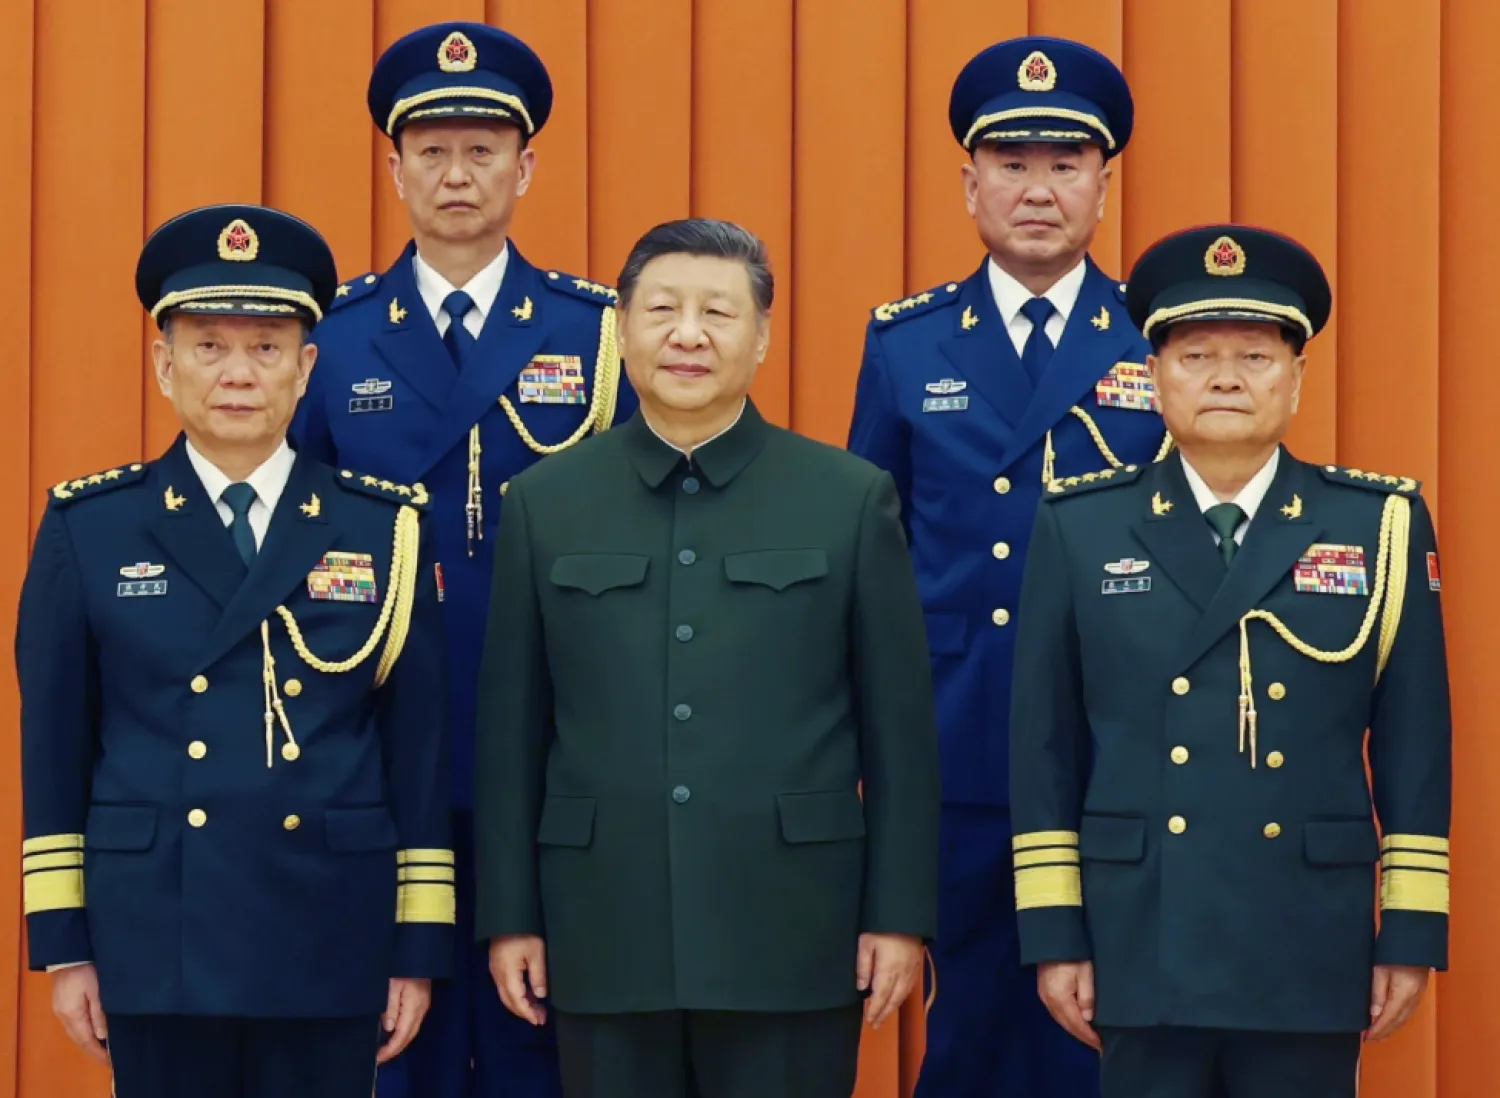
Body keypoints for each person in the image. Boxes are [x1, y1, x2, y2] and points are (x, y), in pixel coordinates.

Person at [470, 218, 942, 1098]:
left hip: (794, 925)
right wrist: (509, 918)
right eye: (662, 309)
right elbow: (511, 733)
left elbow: (901, 734)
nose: (688, 334)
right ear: (620, 329)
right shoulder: (546, 502)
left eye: (719, 312)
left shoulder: (846, 498)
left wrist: (900, 915)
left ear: (762, 336)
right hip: (603, 922)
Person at [15, 203, 453, 1098]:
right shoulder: (89, 527)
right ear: (163, 365)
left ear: (307, 368)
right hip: (157, 930)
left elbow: (417, 751)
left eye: (265, 347)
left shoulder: (384, 525)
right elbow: (55, 744)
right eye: (208, 347)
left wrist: (415, 945)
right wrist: (66, 943)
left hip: (328, 923)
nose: (237, 374)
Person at [1006, 223, 1451, 1098]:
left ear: (1297, 377)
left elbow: (1416, 745)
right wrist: (1056, 931)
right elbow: (1043, 744)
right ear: (1156, 376)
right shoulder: (1080, 525)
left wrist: (1408, 931)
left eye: (1254, 356)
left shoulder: (1377, 523)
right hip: (1142, 930)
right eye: (1196, 354)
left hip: (1307, 932)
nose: (1224, 378)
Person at [289, 21, 638, 1098]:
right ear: (392, 165)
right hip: (384, 737)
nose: (456, 172)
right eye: (431, 148)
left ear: (526, 165)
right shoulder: (333, 336)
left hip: (552, 737)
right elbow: (293, 535)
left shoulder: (598, 333)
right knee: (399, 1040)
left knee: (546, 1032)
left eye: (483, 147)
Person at [845, 34, 1169, 1098]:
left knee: (1105, 1028)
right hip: (958, 745)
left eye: (1065, 165)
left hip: (1113, 747)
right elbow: (870, 560)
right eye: (1013, 165)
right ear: (969, 183)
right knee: (973, 1027)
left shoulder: (1155, 342)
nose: (1038, 191)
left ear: (1104, 185)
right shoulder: (906, 344)